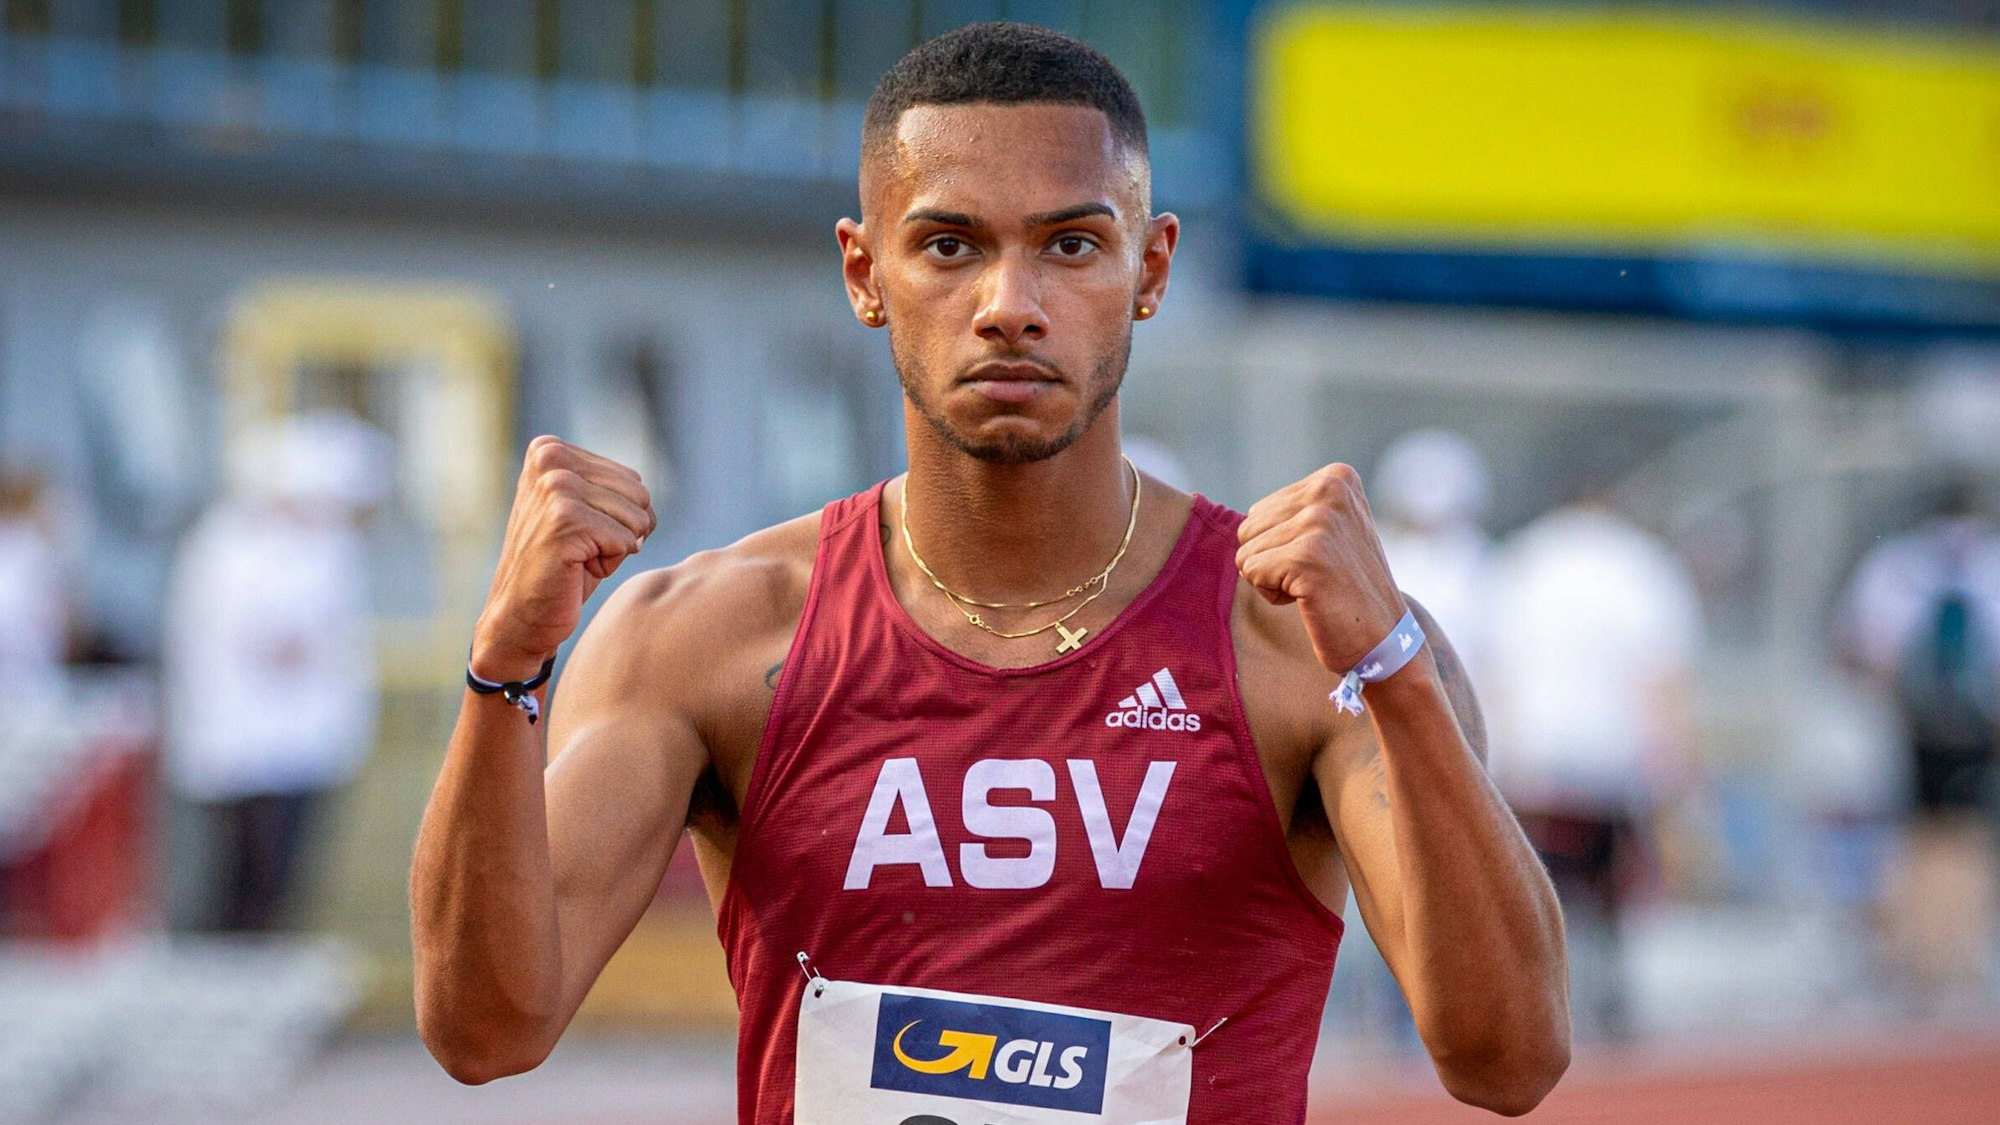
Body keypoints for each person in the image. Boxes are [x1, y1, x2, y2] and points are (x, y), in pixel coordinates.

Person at [411, 24, 1568, 1123]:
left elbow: (1507, 1060)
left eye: (1069, 244)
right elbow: (484, 1032)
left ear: (1148, 267)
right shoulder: (707, 637)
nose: (1008, 308)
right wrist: (503, 669)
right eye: (949, 245)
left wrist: (1394, 674)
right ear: (864, 273)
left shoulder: (1300, 643)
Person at [1482, 483, 1703, 1040]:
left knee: (1536, 894)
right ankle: (1605, 1010)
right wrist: (1678, 778)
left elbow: (1492, 668)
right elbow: (1661, 679)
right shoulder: (1641, 565)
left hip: (1534, 761)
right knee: (1610, 901)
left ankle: (1538, 1010)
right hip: (1610, 764)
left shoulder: (1522, 560)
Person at [163, 411, 388, 932]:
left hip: (303, 739)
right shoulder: (229, 543)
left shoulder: (326, 547)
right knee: (242, 869)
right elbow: (253, 635)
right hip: (244, 737)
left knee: (284, 871)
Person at [1839, 481, 2000, 1009]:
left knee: (1917, 836)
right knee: (1962, 837)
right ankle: (1946, 955)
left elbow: (1861, 645)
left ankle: (1921, 955)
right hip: (1970, 725)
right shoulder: (1985, 564)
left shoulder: (1896, 565)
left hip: (1910, 723)